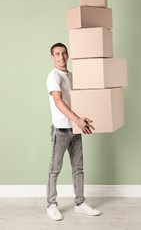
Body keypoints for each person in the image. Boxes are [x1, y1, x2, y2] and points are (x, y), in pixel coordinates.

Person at [46, 42, 101, 221]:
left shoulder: (71, 75)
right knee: (55, 169)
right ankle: (51, 205)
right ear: (52, 57)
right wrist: (77, 119)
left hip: (75, 129)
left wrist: (82, 119)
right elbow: (58, 102)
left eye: (64, 53)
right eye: (57, 54)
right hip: (61, 130)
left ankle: (80, 203)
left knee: (78, 168)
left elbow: (78, 100)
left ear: (67, 55)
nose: (61, 57)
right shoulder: (53, 77)